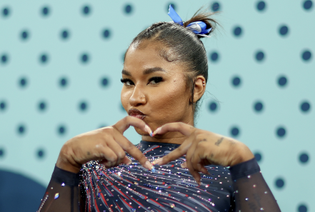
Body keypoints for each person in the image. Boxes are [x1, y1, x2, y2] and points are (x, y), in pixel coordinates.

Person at [37, 5, 281, 212]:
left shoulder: (228, 173)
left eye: (154, 80)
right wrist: (66, 163)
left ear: (196, 88)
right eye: (127, 82)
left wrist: (243, 164)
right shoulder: (92, 172)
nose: (134, 98)